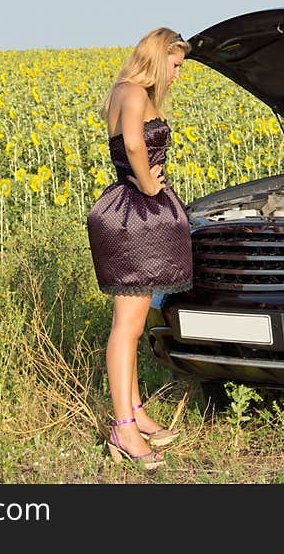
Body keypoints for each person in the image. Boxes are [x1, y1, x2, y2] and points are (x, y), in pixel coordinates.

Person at [86, 28, 193, 470]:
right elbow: (132, 143)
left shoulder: (127, 90)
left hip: (134, 214)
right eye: (175, 64)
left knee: (132, 324)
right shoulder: (132, 91)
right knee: (126, 327)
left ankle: (136, 412)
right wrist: (150, 182)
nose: (178, 73)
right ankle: (123, 426)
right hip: (132, 214)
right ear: (157, 56)